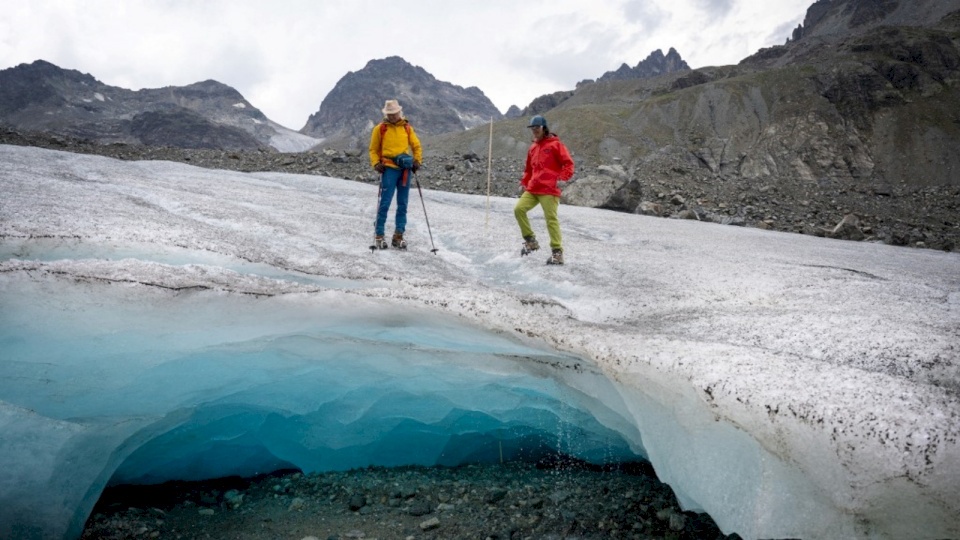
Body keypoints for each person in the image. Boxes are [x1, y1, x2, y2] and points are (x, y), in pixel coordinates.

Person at [514, 115, 575, 265]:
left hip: (549, 189)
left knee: (551, 220)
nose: (534, 130)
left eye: (537, 127)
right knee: (519, 209)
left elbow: (569, 164)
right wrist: (524, 183)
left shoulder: (556, 145)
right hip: (533, 188)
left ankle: (557, 253)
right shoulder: (533, 147)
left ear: (544, 128)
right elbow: (528, 169)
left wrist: (560, 179)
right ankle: (530, 241)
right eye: (532, 128)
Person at [369, 99, 422, 249]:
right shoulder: (380, 129)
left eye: (394, 113)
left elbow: (416, 145)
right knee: (385, 203)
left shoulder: (407, 128)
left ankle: (398, 235)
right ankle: (379, 234)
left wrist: (417, 161)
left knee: (402, 204)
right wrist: (376, 163)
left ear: (399, 112)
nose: (392, 116)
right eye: (390, 114)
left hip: (405, 170)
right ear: (386, 114)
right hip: (388, 169)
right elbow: (373, 149)